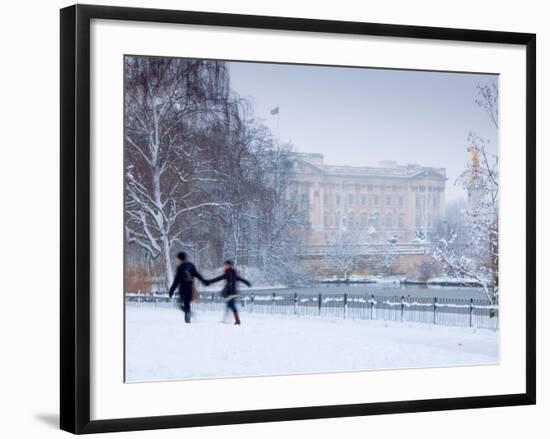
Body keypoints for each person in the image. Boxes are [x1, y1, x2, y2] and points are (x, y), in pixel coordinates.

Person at [168, 251, 209, 323]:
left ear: (180, 259)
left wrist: (171, 290)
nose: (176, 260)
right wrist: (204, 281)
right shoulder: (191, 265)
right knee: (187, 304)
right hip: (190, 288)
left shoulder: (180, 267)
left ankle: (188, 314)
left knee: (180, 303)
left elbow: (176, 280)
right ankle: (188, 316)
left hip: (183, 288)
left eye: (177, 259)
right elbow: (197, 275)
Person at [207, 260, 251, 325]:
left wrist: (210, 281)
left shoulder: (229, 272)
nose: (224, 266)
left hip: (231, 293)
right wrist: (247, 282)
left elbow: (220, 278)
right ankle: (227, 319)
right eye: (224, 265)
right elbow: (239, 279)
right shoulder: (232, 272)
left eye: (225, 265)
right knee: (229, 305)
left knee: (231, 305)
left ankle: (237, 320)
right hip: (232, 292)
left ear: (229, 265)